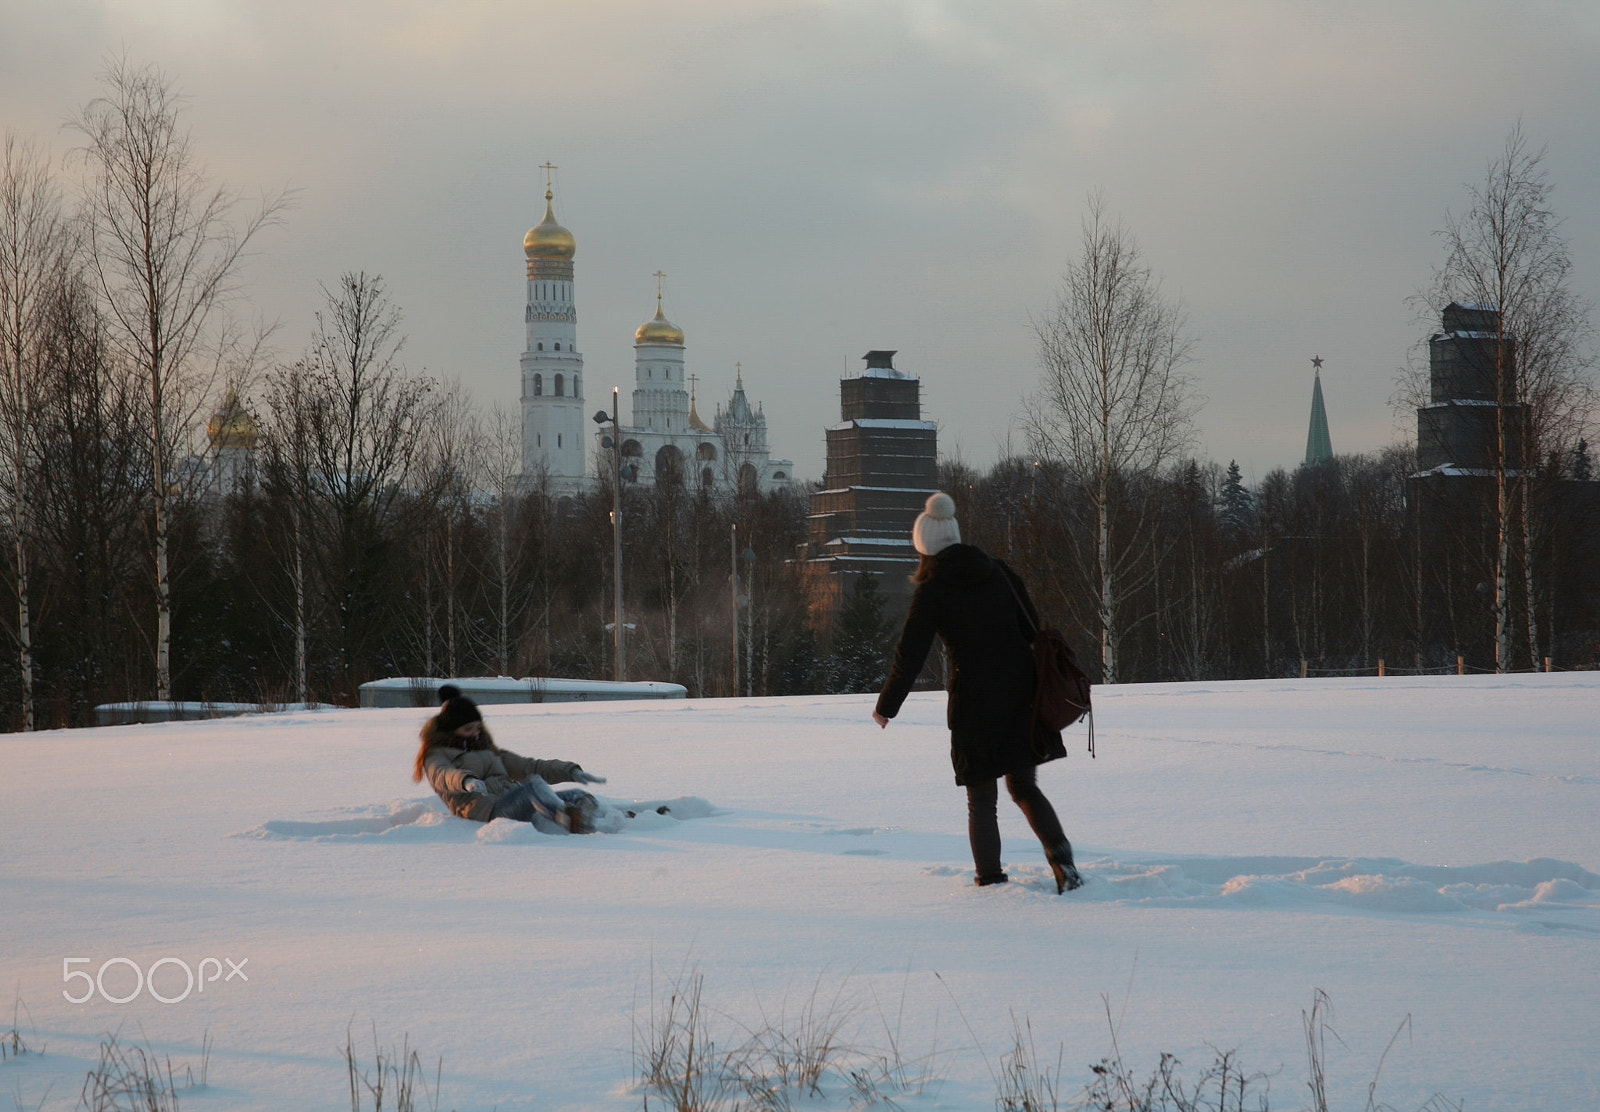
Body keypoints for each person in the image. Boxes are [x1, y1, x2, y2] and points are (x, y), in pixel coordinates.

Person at [873, 492, 1083, 893]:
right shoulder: (1000, 571)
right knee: (1024, 787)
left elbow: (909, 656)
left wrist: (887, 707)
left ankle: (990, 880)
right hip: (1023, 695)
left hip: (974, 701)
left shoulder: (932, 589)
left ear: (924, 548)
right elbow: (1032, 629)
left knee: (982, 799)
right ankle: (1063, 863)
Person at [412, 685, 608, 833]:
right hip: (489, 812)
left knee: (578, 795)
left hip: (513, 802)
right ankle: (566, 819)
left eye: (477, 728)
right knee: (533, 786)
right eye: (467, 729)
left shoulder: (488, 750)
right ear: (450, 730)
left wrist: (571, 771)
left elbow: (530, 766)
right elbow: (443, 775)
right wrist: (466, 781)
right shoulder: (435, 754)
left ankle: (604, 819)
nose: (474, 734)